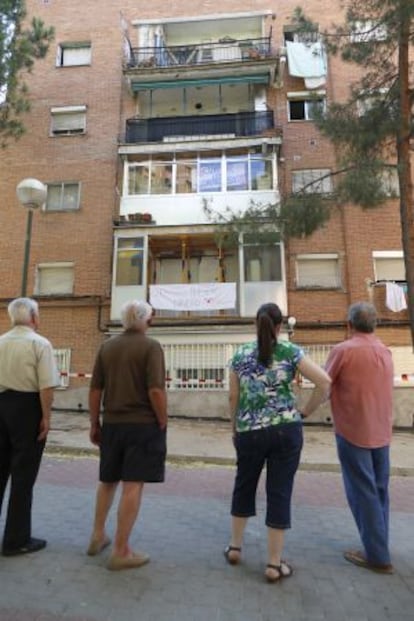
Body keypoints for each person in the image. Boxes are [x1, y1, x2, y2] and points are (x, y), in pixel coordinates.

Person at [225, 303, 331, 582]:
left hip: (249, 432)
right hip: (286, 430)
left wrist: (234, 426)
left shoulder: (239, 355)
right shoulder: (290, 352)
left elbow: (233, 398)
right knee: (279, 492)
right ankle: (273, 565)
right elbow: (325, 382)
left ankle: (235, 548)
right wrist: (304, 412)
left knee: (243, 485)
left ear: (255, 324)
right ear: (279, 326)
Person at [87, 300, 167, 571]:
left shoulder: (107, 346)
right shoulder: (151, 347)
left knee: (107, 480)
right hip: (142, 426)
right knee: (132, 484)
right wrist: (163, 419)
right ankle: (121, 551)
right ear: (146, 320)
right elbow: (156, 390)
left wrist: (94, 423)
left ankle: (97, 536)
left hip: (111, 425)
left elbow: (95, 389)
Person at [324, 302, 394, 574]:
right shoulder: (385, 351)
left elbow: (324, 383)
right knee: (379, 492)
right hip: (382, 433)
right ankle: (380, 546)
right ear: (375, 325)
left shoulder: (343, 351)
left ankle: (377, 556)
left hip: (353, 431)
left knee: (362, 493)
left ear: (349, 324)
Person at [0, 297, 59, 556]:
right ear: (34, 317)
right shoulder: (40, 343)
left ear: (12, 317)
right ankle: (16, 539)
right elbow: (46, 386)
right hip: (27, 408)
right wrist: (46, 416)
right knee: (23, 476)